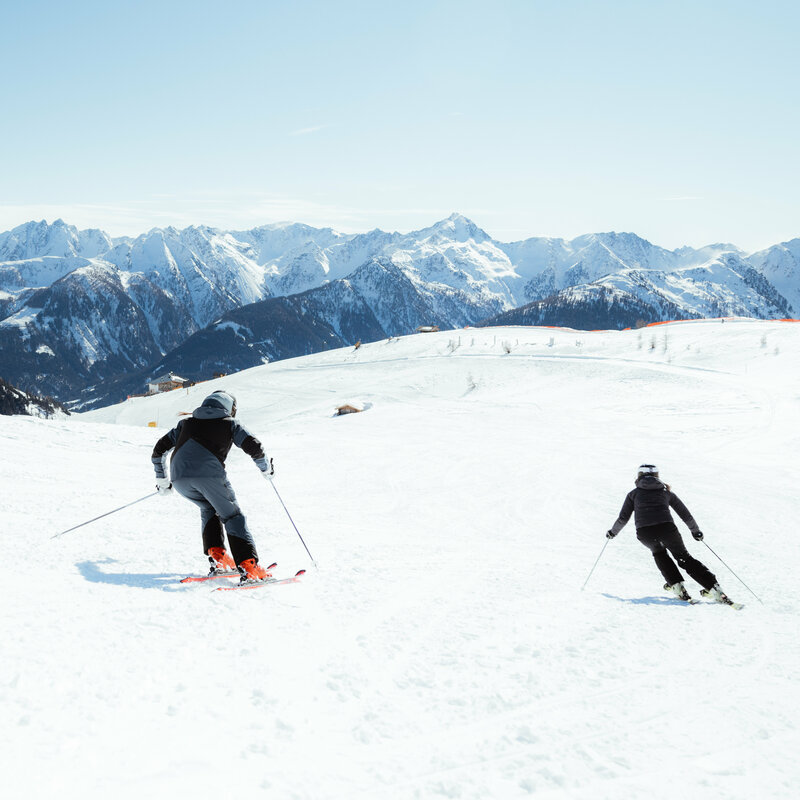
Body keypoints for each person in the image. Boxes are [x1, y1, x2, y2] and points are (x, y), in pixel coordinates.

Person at [151, 390, 274, 583]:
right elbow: (254, 447)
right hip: (209, 477)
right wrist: (267, 469)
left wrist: (163, 481)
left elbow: (158, 451)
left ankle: (219, 559)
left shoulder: (186, 423)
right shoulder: (230, 424)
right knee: (232, 516)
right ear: (229, 409)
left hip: (179, 478)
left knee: (209, 507)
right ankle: (250, 568)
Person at [606, 464, 734, 604]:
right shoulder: (666, 493)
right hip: (667, 530)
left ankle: (677, 586)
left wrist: (613, 532)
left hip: (645, 533)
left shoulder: (633, 494)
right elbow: (685, 515)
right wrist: (695, 532)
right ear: (657, 476)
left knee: (659, 553)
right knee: (683, 557)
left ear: (639, 476)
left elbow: (623, 518)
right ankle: (714, 589)